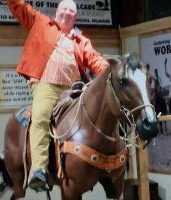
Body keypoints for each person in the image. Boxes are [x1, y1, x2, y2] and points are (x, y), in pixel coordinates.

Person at [6, 0, 109, 192]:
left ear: (75, 16)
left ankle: (107, 168)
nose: (68, 12)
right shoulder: (41, 23)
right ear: (57, 12)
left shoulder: (80, 40)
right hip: (47, 84)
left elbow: (95, 59)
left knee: (98, 112)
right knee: (41, 116)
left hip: (75, 87)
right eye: (65, 9)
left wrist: (111, 72)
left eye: (72, 10)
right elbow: (20, 7)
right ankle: (39, 169)